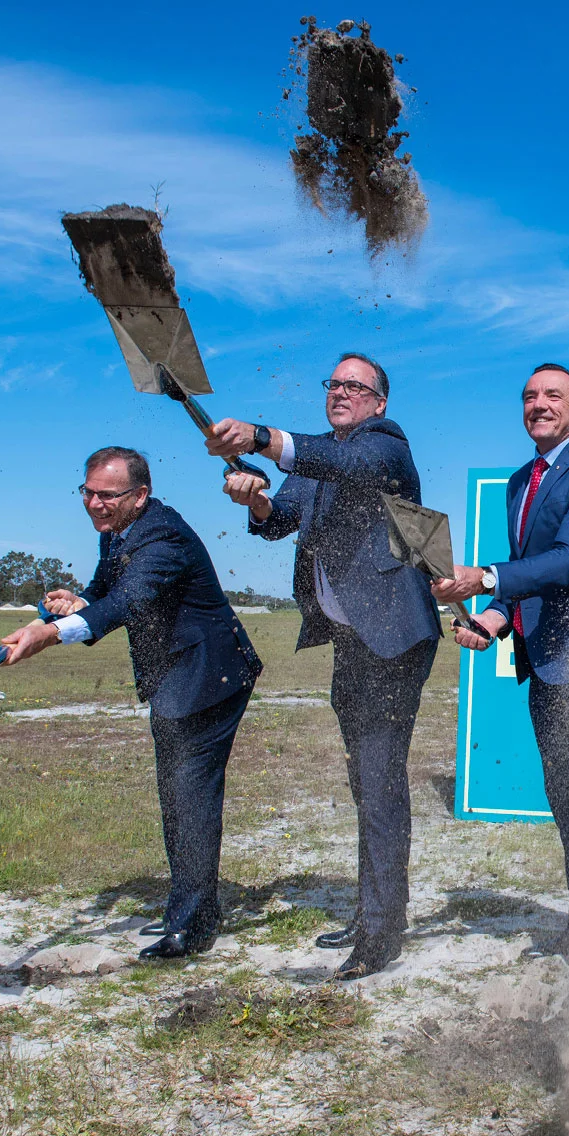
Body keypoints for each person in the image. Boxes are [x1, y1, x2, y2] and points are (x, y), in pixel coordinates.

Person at [205, 352, 441, 980]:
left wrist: (261, 437)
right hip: (352, 642)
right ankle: (372, 912)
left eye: (354, 386)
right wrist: (253, 498)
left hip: (394, 640)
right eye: (332, 383)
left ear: (379, 402)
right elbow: (279, 520)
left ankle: (382, 931)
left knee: (380, 776)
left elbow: (341, 461)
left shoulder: (384, 446)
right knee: (366, 781)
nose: (340, 392)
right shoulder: (318, 462)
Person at [431, 363, 569, 993]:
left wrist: (486, 577)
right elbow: (534, 572)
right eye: (529, 396)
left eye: (554, 396)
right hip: (548, 658)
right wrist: (494, 618)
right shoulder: (519, 480)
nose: (539, 404)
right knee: (566, 800)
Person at [2, 447, 263, 960]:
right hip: (174, 678)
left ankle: (195, 923)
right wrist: (52, 613)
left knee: (190, 797)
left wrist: (53, 635)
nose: (96, 505)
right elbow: (103, 590)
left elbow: (128, 601)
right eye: (88, 493)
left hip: (209, 676)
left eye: (107, 495)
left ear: (139, 495)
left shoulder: (162, 536)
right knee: (176, 794)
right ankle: (184, 905)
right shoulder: (119, 531)